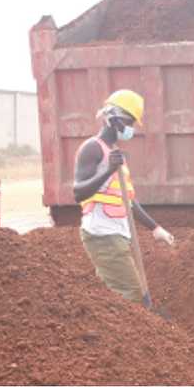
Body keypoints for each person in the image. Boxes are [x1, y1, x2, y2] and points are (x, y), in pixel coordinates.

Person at [73, 89, 175, 315]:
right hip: (102, 234)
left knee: (111, 293)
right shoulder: (93, 148)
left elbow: (128, 200)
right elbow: (78, 192)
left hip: (116, 233)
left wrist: (155, 228)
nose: (132, 128)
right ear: (114, 118)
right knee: (131, 296)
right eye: (129, 122)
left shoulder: (115, 152)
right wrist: (108, 169)